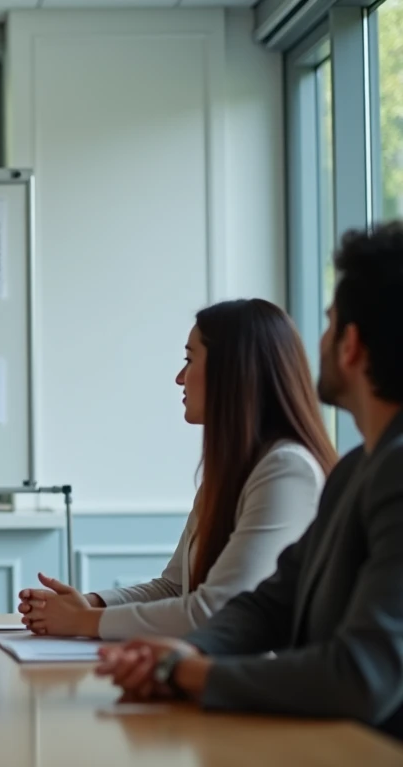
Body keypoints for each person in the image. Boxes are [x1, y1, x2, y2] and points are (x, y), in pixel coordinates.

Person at [96, 222, 403, 739]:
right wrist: (187, 650)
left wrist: (193, 671)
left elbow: (361, 674)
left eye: (328, 324)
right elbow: (270, 604)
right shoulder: (357, 470)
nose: (317, 342)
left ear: (351, 345)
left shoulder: (392, 472)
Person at [17, 299, 336, 640]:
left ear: (231, 370)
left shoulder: (286, 470)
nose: (179, 378)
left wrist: (83, 621)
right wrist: (90, 604)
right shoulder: (234, 470)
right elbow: (174, 588)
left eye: (189, 360)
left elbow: (217, 610)